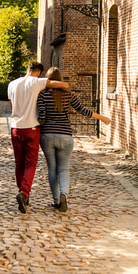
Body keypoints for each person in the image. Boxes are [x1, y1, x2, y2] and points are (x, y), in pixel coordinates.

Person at [37, 67, 111, 212]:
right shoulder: (68, 95)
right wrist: (102, 118)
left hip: (47, 136)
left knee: (52, 169)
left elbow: (42, 117)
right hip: (65, 136)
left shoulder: (42, 96)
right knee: (63, 169)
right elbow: (83, 110)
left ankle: (57, 201)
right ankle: (64, 194)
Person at [8, 61, 69, 213]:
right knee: (30, 164)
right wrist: (50, 84)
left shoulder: (12, 84)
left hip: (15, 128)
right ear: (38, 72)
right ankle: (24, 192)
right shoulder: (37, 82)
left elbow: (12, 106)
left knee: (19, 163)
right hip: (31, 128)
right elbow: (64, 86)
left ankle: (24, 196)